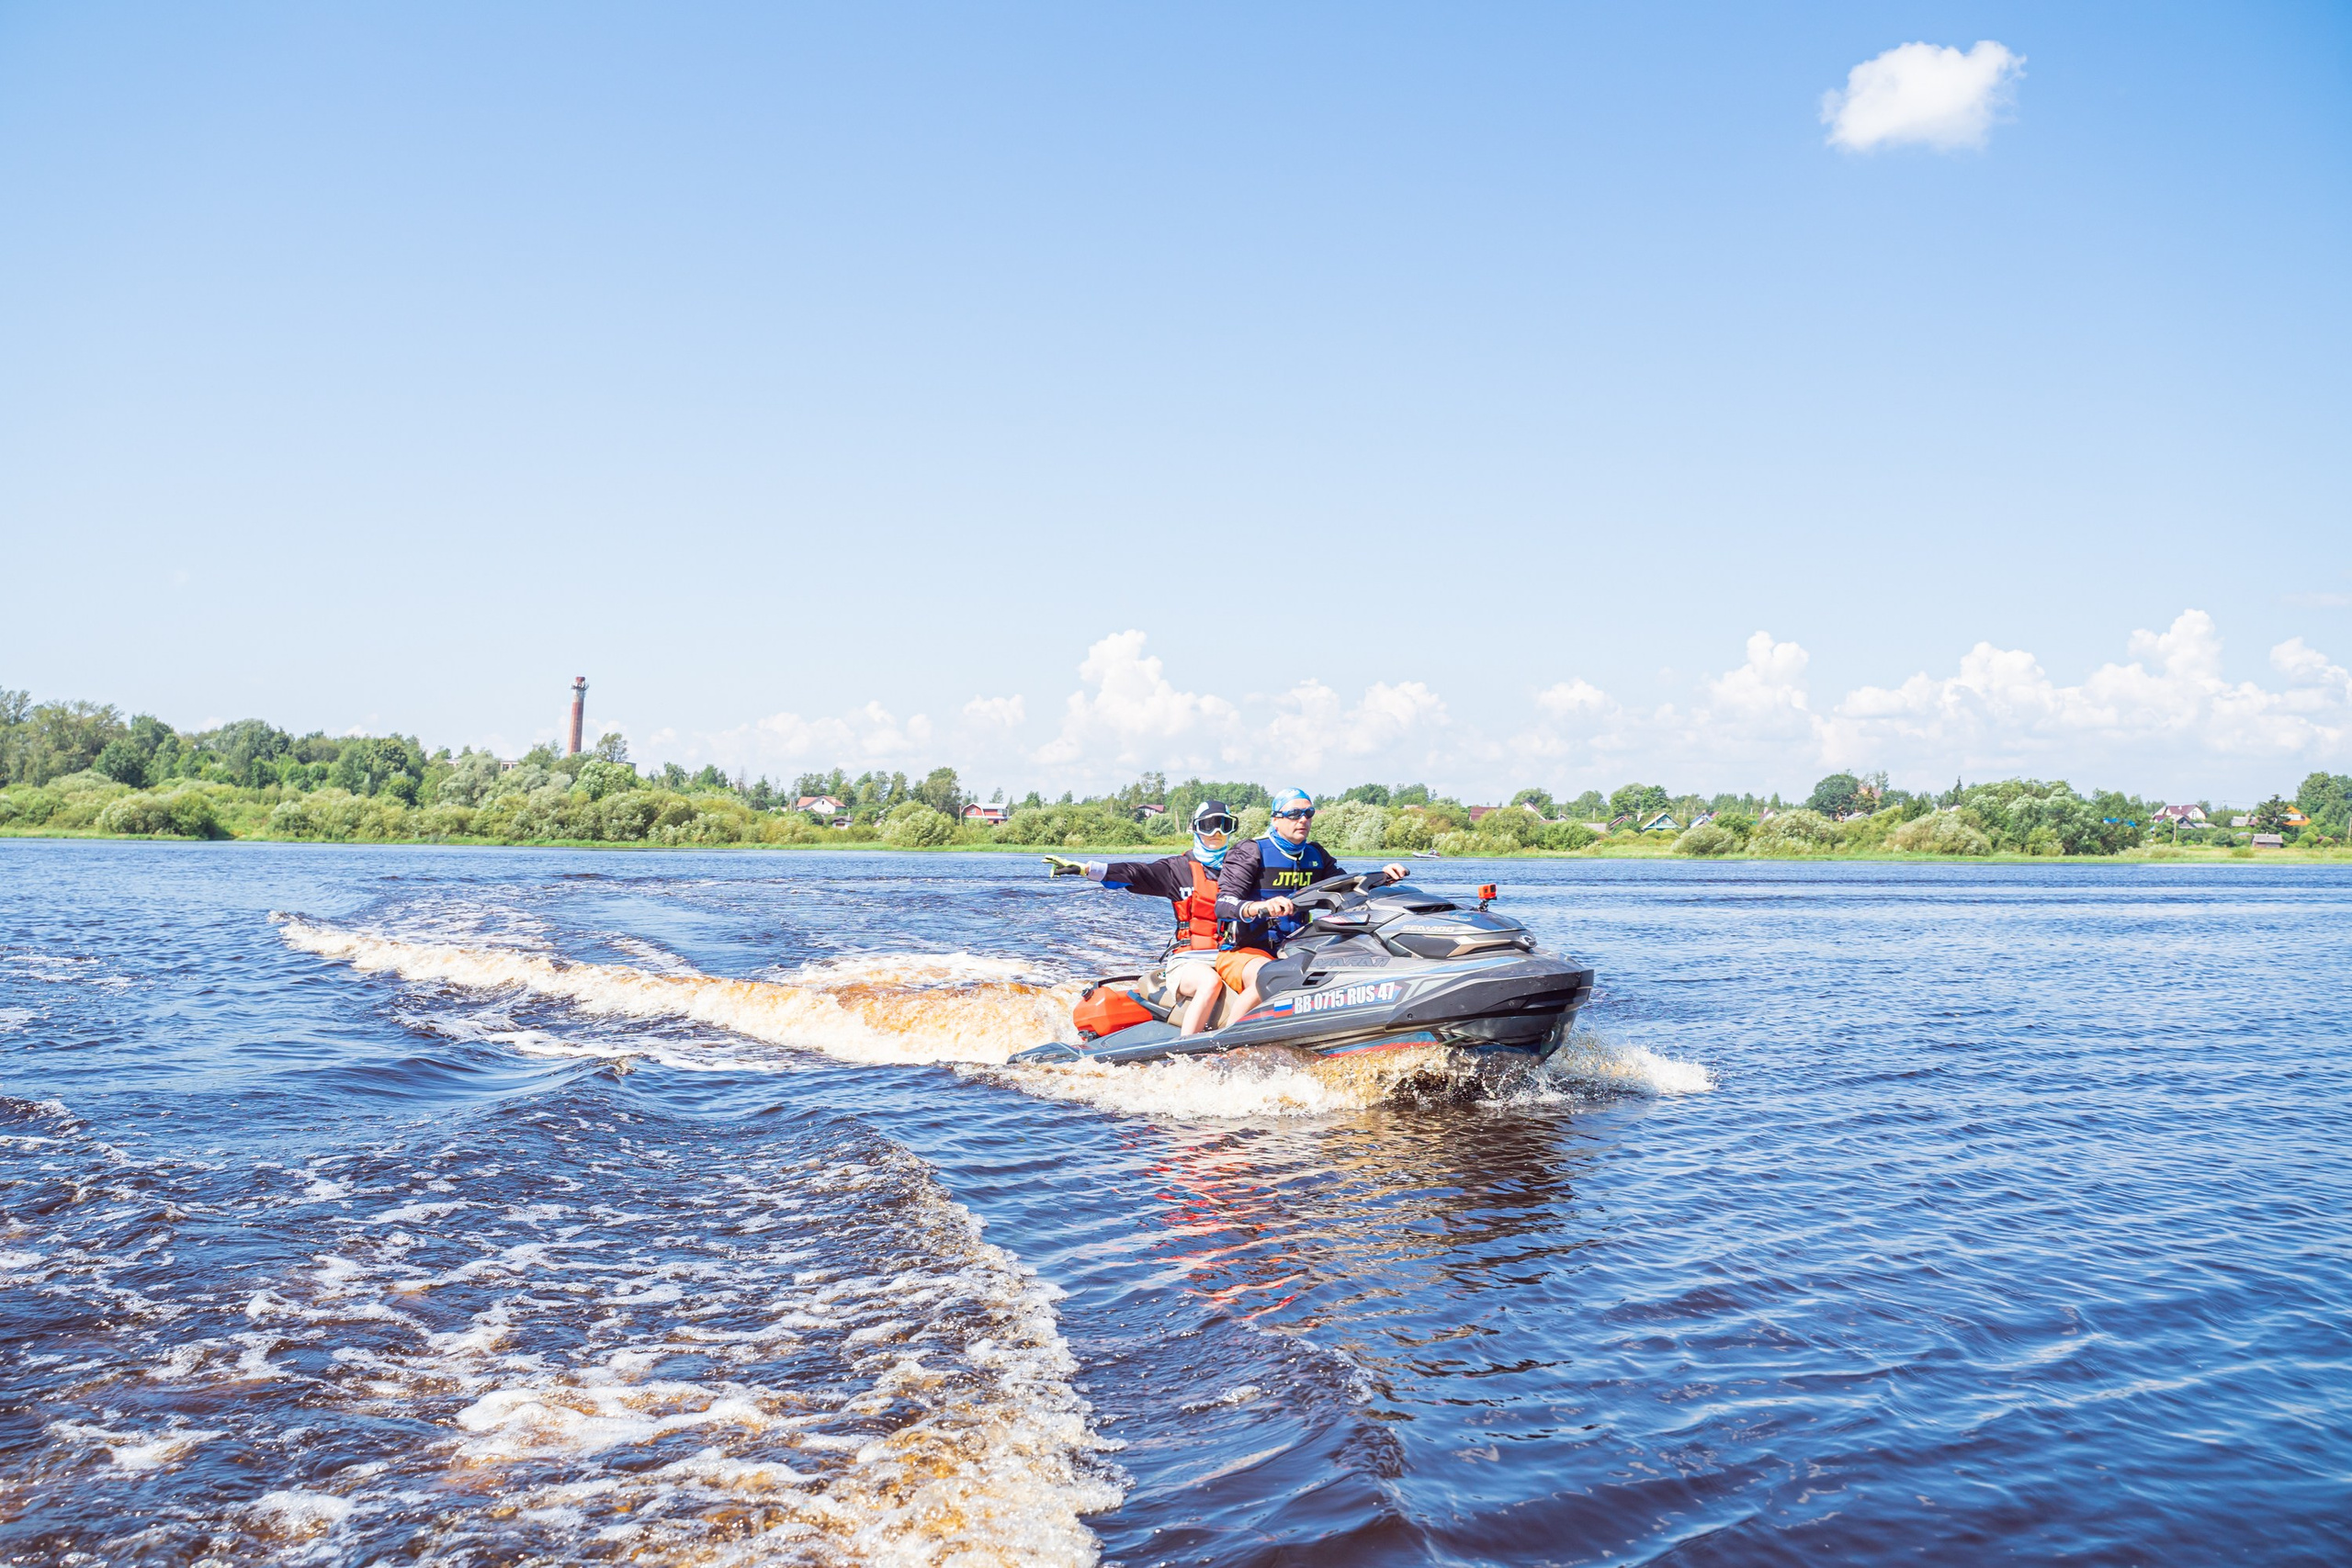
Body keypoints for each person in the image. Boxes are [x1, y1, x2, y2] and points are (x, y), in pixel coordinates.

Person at [1044, 800, 1244, 1034]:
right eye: (1208, 825)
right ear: (1196, 829)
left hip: (1230, 956)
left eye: (1223, 825)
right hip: (1190, 960)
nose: (1216, 833)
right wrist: (1087, 869)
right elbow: (1136, 873)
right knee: (1209, 983)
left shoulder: (1243, 868)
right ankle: (1186, 1046)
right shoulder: (1177, 870)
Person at [1213, 788, 1410, 1017]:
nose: (1303, 819)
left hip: (1294, 948)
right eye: (1295, 814)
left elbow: (1349, 889)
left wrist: (1384, 877)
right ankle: (1226, 1045)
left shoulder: (1315, 854)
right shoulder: (1250, 851)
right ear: (1276, 820)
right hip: (1242, 952)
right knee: (1271, 973)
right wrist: (1259, 907)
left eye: (1309, 813)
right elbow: (1223, 904)